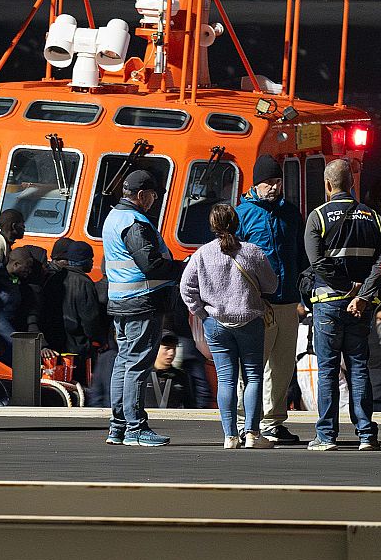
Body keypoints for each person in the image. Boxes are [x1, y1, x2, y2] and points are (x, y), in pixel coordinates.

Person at [303, 158, 381, 451]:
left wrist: (346, 288)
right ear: (352, 184)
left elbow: (317, 262)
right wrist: (362, 296)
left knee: (328, 370)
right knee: (358, 368)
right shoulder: (374, 217)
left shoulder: (317, 217)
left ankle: (326, 436)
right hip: (361, 307)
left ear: (327, 185)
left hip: (327, 304)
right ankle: (366, 434)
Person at [181, 203, 279, 449]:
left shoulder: (202, 254)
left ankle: (230, 436)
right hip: (249, 322)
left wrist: (202, 313)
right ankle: (253, 435)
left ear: (212, 226)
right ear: (237, 224)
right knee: (253, 377)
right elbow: (272, 285)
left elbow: (186, 288)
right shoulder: (252, 252)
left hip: (216, 324)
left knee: (226, 380)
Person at [102, 169, 180, 446]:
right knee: (137, 364)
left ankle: (118, 427)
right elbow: (151, 265)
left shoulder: (113, 217)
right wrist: (182, 268)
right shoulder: (135, 222)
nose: (154, 201)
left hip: (121, 301)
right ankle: (136, 428)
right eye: (153, 196)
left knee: (124, 362)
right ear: (141, 195)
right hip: (142, 302)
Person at [235, 154, 306, 445]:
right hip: (257, 304)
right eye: (269, 182)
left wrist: (303, 293)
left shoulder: (291, 213)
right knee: (252, 366)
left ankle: (273, 422)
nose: (275, 187)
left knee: (283, 365)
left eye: (278, 181)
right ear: (256, 183)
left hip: (288, 300)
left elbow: (300, 256)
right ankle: (244, 421)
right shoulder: (242, 215)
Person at [58, 240, 112, 408]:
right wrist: (101, 341)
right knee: (79, 383)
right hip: (78, 346)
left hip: (58, 342)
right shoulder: (85, 283)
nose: (92, 262)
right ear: (84, 260)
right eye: (90, 258)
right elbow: (90, 319)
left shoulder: (56, 278)